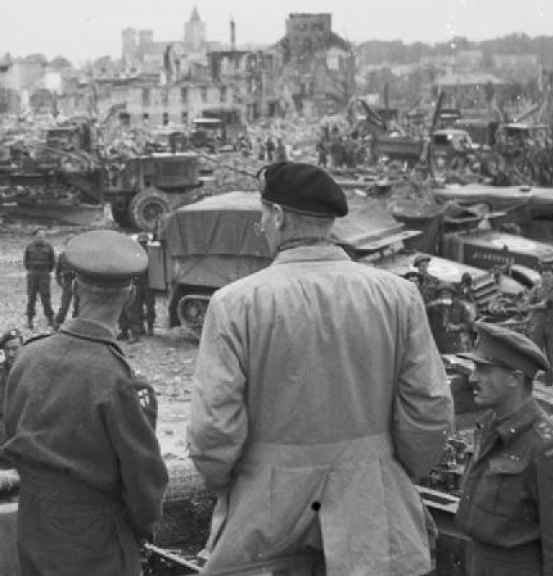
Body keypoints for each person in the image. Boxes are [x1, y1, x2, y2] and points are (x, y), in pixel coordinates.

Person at [188, 162, 453, 575]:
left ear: (277, 216)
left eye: (263, 215)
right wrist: (384, 466)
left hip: (266, 511)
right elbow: (431, 408)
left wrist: (233, 483)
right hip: (373, 505)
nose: (262, 225)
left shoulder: (234, 303)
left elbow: (213, 428)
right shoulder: (398, 295)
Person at [3, 229, 169, 576]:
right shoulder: (120, 380)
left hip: (33, 522)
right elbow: (144, 480)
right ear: (130, 295)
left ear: (73, 287)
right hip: (95, 540)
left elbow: (11, 431)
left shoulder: (28, 356)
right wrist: (142, 530)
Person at [456, 322, 553, 575]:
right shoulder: (491, 428)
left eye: (484, 369)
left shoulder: (548, 450)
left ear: (515, 378)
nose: (472, 377)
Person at [0, 328, 23, 443]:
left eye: (15, 349)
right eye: (6, 349)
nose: (10, 354)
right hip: (2, 433)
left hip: (23, 433)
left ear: (23, 348)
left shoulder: (31, 371)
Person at [426, 283, 475, 354]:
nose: (445, 295)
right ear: (439, 295)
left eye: (448, 293)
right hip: (436, 341)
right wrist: (433, 304)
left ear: (452, 294)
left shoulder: (460, 307)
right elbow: (424, 320)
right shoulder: (433, 307)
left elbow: (468, 324)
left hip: (454, 341)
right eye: (442, 294)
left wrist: (457, 327)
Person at [23, 229, 56, 330]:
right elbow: (26, 262)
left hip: (44, 274)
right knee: (31, 298)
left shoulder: (49, 247)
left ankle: (50, 319)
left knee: (46, 297)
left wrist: (46, 271)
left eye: (42, 236)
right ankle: (29, 320)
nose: (40, 238)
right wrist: (32, 270)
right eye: (39, 237)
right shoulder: (29, 247)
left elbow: (53, 262)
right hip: (32, 274)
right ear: (35, 237)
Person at [53, 249, 78, 327]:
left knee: (77, 304)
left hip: (77, 280)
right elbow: (57, 271)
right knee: (65, 304)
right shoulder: (62, 255)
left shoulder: (78, 254)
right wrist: (60, 283)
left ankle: (76, 322)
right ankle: (58, 322)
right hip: (68, 280)